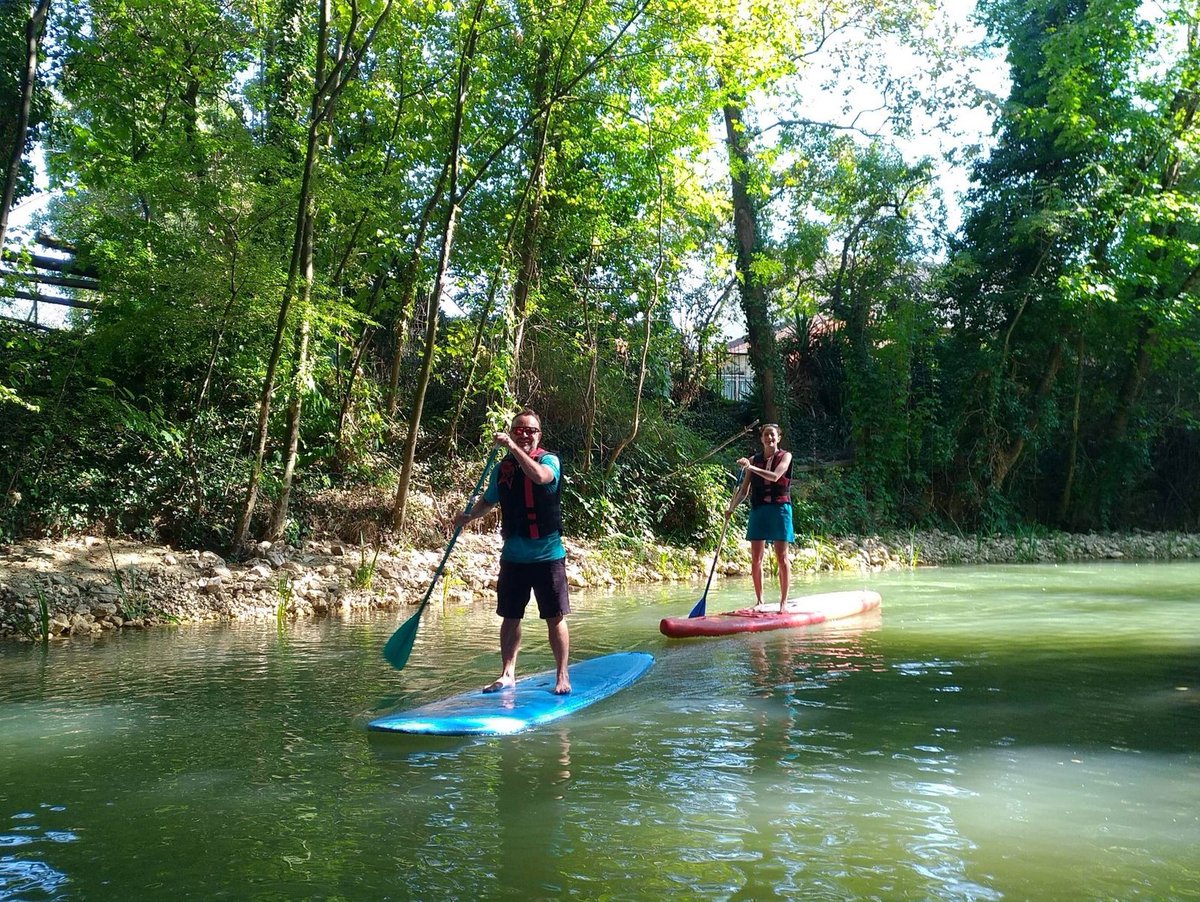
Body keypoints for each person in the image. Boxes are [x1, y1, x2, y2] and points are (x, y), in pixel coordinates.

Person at [454, 410, 571, 694]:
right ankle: (507, 674)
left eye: (530, 430)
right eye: (519, 430)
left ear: (539, 435)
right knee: (510, 616)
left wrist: (511, 447)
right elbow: (488, 500)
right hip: (513, 557)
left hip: (547, 555)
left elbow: (540, 477)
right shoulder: (502, 469)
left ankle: (562, 675)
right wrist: (469, 517)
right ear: (512, 432)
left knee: (554, 617)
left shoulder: (549, 461)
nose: (524, 434)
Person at [726, 423, 794, 612]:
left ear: (778, 438)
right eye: (766, 435)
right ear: (761, 438)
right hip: (759, 509)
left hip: (780, 508)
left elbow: (775, 476)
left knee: (782, 556)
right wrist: (731, 507)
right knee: (756, 557)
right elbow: (744, 491)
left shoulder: (785, 456)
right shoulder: (753, 460)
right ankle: (760, 601)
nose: (769, 438)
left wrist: (751, 467)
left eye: (772, 435)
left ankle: (783, 602)